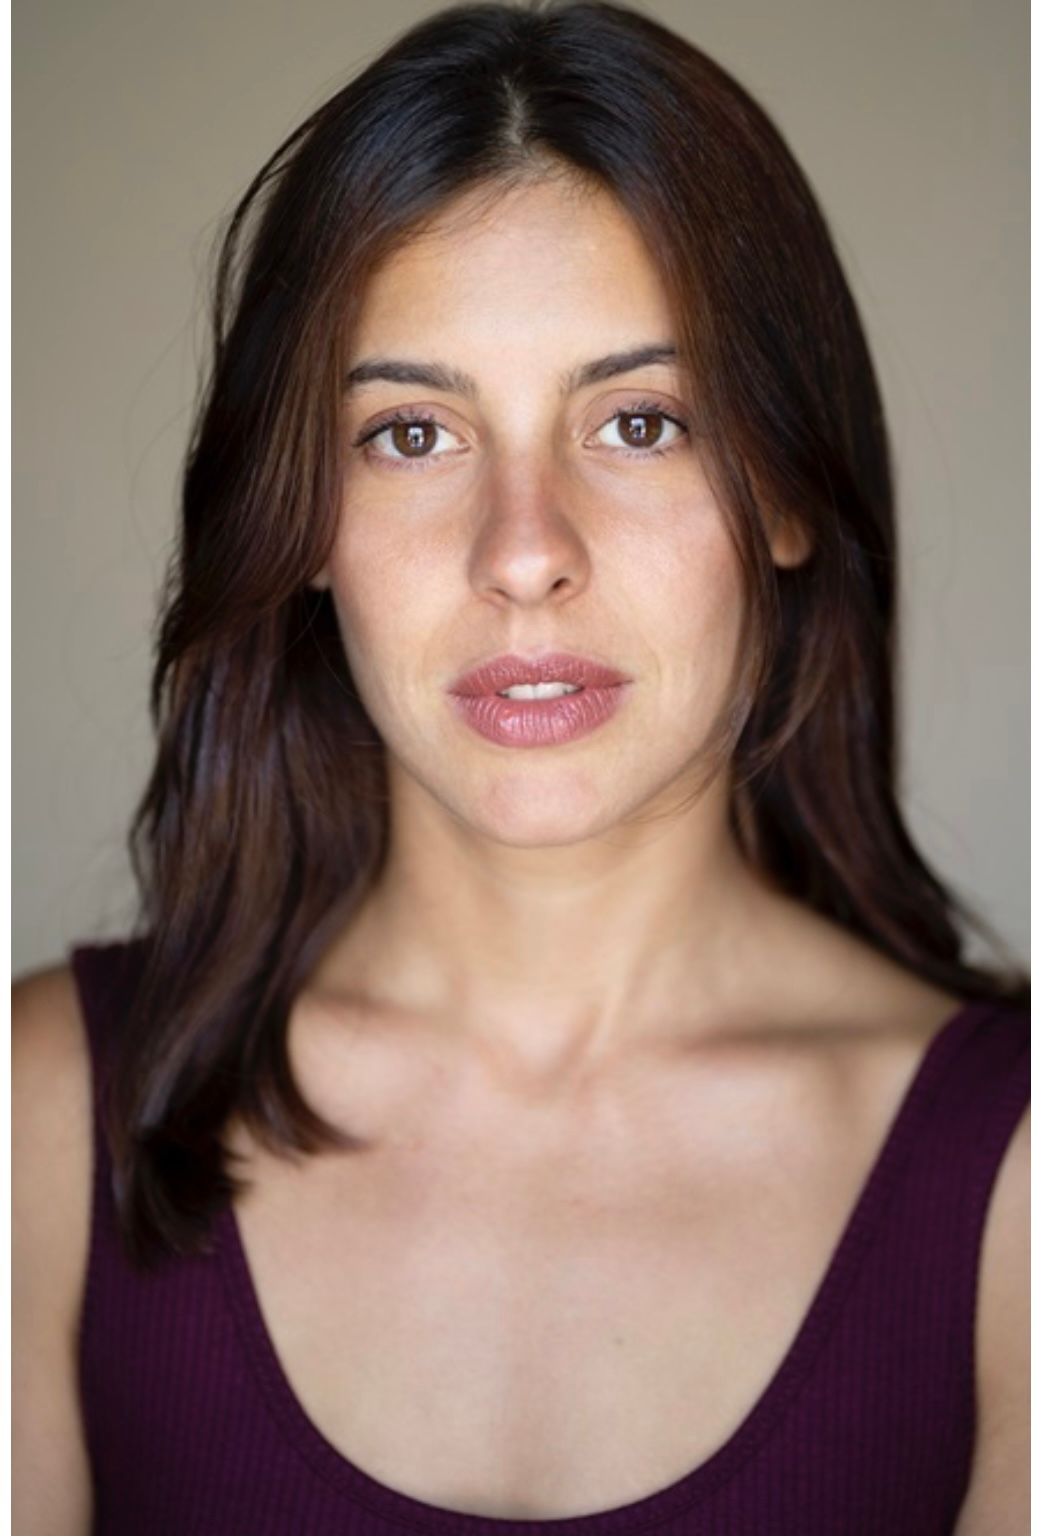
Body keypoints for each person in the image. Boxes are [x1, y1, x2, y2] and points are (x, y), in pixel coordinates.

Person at [13, 1, 1028, 1533]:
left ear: (784, 493)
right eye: (412, 435)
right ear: (300, 520)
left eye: (639, 421)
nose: (523, 552)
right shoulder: (40, 1120)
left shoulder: (1012, 1181)